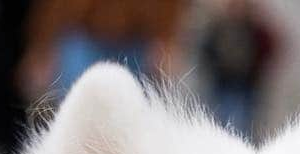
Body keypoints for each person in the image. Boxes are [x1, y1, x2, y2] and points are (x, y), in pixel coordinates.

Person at [19, 0, 185, 102]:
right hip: (83, 40)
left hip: (136, 45)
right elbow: (53, 10)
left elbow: (169, 15)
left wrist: (166, 44)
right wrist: (40, 52)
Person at [198, 0, 278, 139]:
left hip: (246, 86)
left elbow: (270, 47)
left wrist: (258, 70)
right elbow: (205, 50)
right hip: (223, 84)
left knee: (244, 122)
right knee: (223, 121)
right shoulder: (218, 26)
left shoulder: (255, 28)